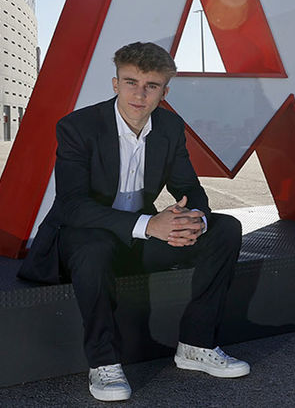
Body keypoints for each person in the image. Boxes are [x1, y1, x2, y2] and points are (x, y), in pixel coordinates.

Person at [18, 41, 249, 401]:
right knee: (93, 246)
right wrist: (149, 226)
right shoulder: (78, 127)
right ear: (115, 84)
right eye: (130, 82)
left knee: (225, 229)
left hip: (138, 240)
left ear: (164, 91)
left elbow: (188, 187)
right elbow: (73, 206)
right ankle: (104, 363)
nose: (139, 94)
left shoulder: (170, 126)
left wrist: (195, 220)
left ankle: (195, 345)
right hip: (83, 238)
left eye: (151, 86)